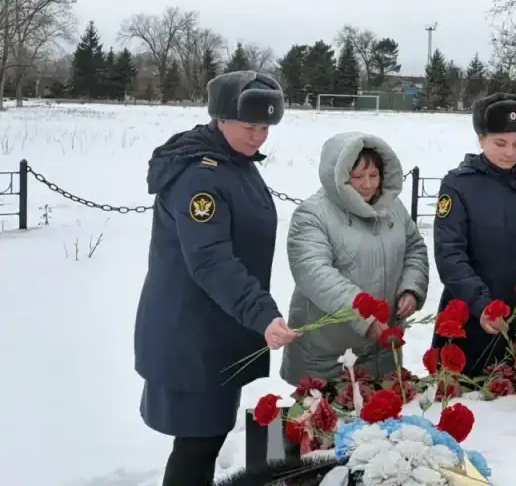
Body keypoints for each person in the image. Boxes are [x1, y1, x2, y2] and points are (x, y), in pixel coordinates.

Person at [134, 70, 299, 486]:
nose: (259, 136)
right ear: (220, 118)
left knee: (205, 437)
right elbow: (210, 259)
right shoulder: (200, 176)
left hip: (217, 327)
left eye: (265, 127)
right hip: (191, 332)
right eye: (249, 126)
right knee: (196, 443)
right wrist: (261, 313)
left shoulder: (235, 162)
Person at [281, 132, 429, 384]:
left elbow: (414, 248)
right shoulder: (313, 215)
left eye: (374, 175)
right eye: (357, 177)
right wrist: (365, 317)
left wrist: (411, 289)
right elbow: (316, 275)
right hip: (328, 356)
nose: (368, 185)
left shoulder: (392, 207)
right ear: (338, 176)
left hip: (380, 352)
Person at [432, 92, 516, 377]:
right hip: (472, 318)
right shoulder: (458, 185)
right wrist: (481, 304)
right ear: (481, 139)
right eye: (500, 143)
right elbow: (450, 254)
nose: (509, 153)